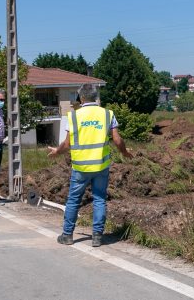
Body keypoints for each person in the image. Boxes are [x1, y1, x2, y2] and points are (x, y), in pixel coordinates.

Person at [48, 83, 132, 247]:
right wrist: (124, 152)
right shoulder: (108, 114)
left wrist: (57, 152)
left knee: (73, 200)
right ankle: (97, 237)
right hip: (101, 166)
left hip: (80, 167)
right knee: (99, 199)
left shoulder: (73, 116)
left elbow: (67, 144)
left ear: (82, 98)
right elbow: (117, 139)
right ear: (96, 97)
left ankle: (67, 235)